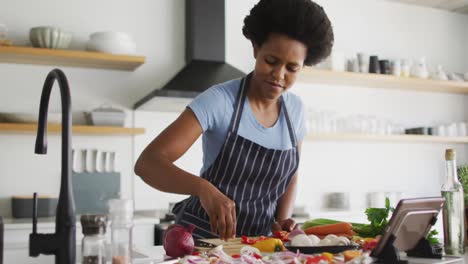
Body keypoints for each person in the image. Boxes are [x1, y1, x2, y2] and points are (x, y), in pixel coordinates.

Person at [135, 0, 334, 240]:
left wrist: (282, 222)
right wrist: (202, 188)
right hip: (203, 242)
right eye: (271, 61)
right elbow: (148, 163)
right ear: (255, 48)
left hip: (258, 247)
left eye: (292, 68)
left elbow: (291, 175)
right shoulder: (219, 101)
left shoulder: (295, 110)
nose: (279, 75)